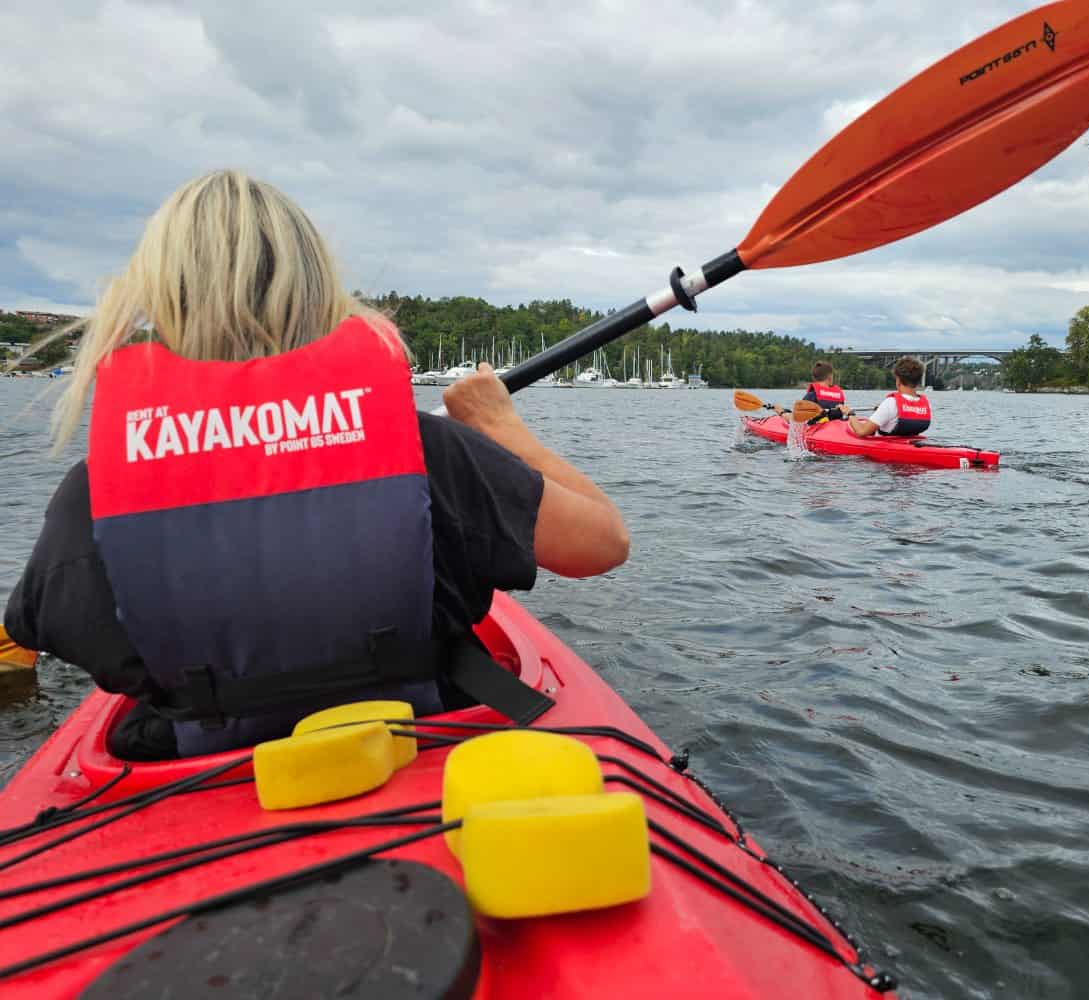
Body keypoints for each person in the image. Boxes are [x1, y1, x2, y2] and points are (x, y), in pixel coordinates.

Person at [3, 170, 629, 761]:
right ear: (321, 290)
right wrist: (497, 425)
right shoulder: (428, 452)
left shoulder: (96, 492)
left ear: (157, 300)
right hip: (418, 741)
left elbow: (47, 621)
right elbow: (603, 542)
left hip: (199, 768)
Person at [846, 356, 931, 438]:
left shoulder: (890, 403)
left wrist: (850, 413)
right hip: (910, 444)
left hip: (889, 447)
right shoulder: (926, 405)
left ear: (898, 380)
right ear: (918, 381)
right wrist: (881, 410)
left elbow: (862, 431)